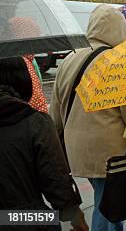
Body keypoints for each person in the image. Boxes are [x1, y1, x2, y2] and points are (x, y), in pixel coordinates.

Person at [50, 4, 126, 231]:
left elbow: (55, 112)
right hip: (109, 153)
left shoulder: (69, 58)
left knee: (101, 200)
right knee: (109, 213)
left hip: (75, 150)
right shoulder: (115, 61)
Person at [0, 57, 88, 231]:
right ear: (22, 79)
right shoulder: (35, 123)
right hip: (26, 219)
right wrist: (74, 216)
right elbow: (55, 178)